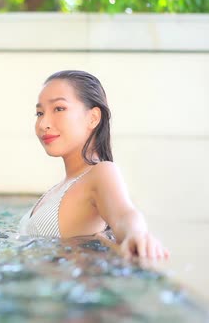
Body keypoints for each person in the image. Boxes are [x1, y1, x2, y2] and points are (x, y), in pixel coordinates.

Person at [18, 70, 169, 260]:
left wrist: (137, 234)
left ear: (93, 118)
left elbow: (124, 214)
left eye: (59, 108)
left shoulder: (101, 173)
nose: (43, 123)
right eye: (39, 113)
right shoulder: (59, 187)